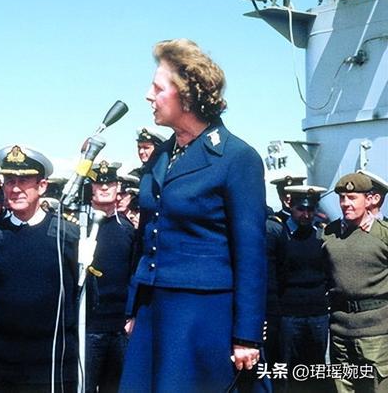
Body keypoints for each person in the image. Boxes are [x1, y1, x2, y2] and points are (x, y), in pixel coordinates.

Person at [120, 39, 267, 392]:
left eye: (158, 88)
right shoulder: (161, 156)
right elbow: (146, 238)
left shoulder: (236, 158)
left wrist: (247, 335)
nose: (148, 95)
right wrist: (133, 308)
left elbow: (251, 254)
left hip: (203, 313)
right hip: (154, 308)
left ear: (186, 95)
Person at [0, 145, 79, 393]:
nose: (15, 189)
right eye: (9, 181)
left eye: (23, 181)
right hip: (3, 365)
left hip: (53, 364)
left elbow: (81, 297)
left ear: (42, 186)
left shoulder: (67, 235)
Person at [322, 172, 388, 393]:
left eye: (352, 198)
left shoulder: (383, 235)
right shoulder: (329, 234)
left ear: (369, 200)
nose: (345, 203)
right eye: (342, 198)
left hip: (376, 334)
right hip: (339, 332)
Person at [85, 160, 137, 393]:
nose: (104, 187)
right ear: (91, 187)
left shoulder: (127, 229)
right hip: (88, 327)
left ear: (118, 188)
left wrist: (132, 315)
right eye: (99, 183)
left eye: (110, 183)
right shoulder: (78, 227)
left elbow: (133, 274)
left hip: (119, 328)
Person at [274, 185, 330, 393]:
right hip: (289, 313)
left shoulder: (321, 233)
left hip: (317, 312)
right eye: (301, 209)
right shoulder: (280, 233)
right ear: (291, 206)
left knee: (316, 368)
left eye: (310, 209)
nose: (306, 215)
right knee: (287, 368)